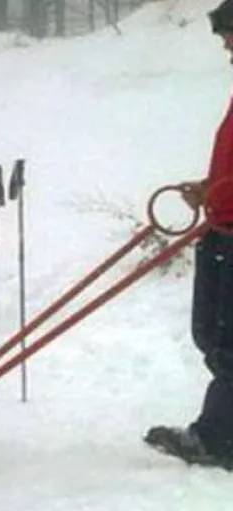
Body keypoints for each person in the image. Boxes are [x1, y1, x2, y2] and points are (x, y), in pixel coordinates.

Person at [145, 0, 233, 469]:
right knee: (210, 333)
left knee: (230, 340)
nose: (225, 44)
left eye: (228, 34)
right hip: (222, 226)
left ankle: (218, 438)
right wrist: (208, 187)